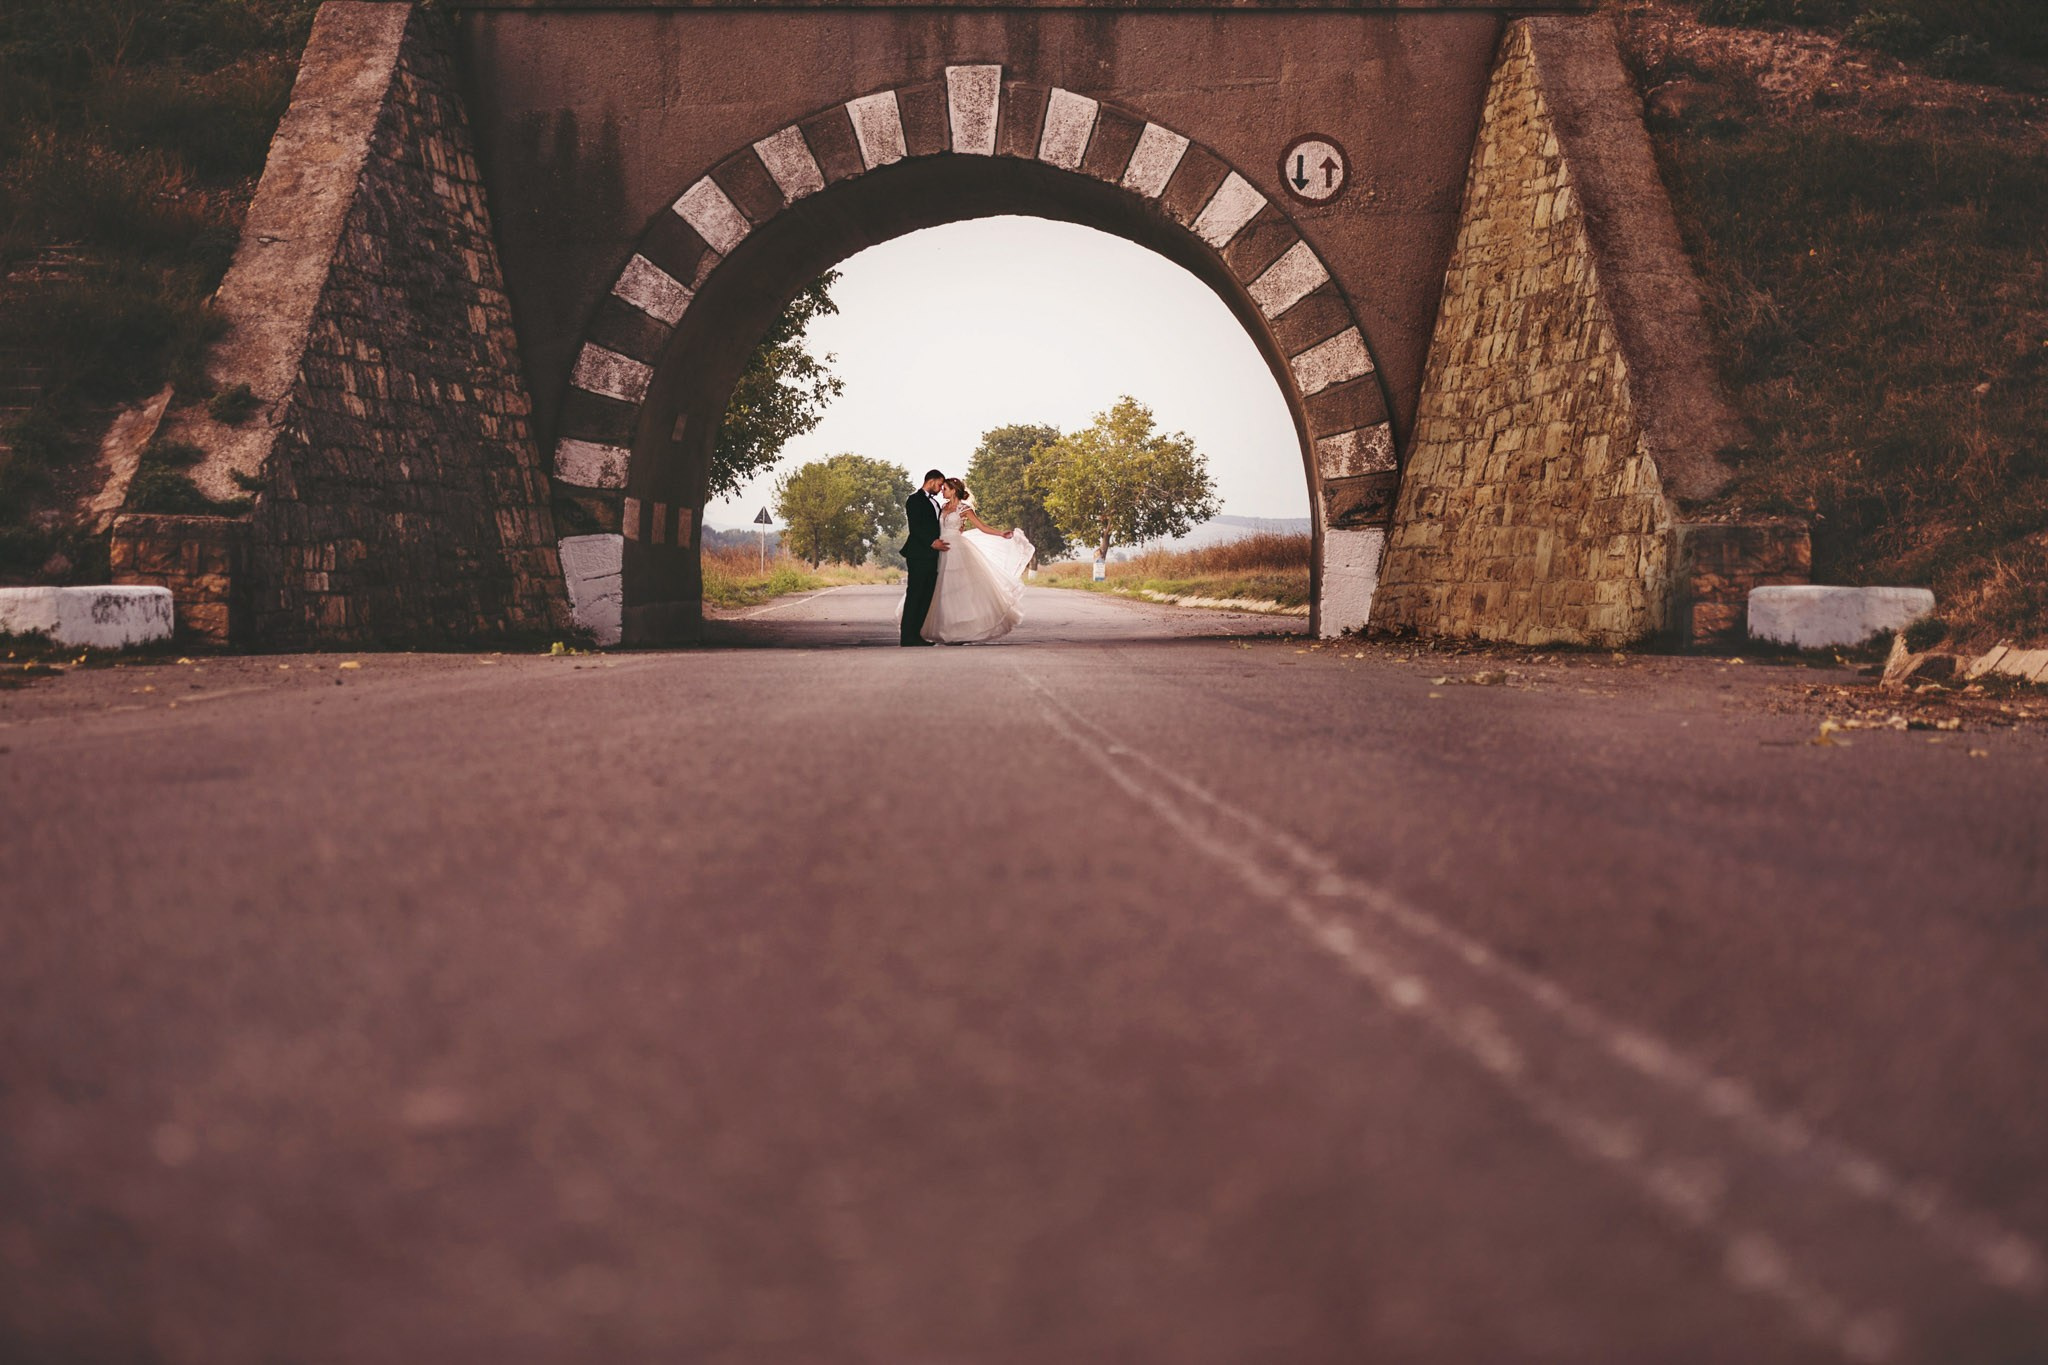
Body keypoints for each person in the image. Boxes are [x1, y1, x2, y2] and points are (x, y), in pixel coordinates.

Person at [921, 477, 1034, 644]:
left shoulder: (964, 509)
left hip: (957, 550)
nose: (942, 491)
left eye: (945, 488)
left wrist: (1000, 533)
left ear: (953, 490)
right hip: (941, 548)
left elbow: (982, 527)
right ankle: (943, 630)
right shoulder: (941, 507)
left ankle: (960, 632)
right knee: (941, 591)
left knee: (960, 590)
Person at [899, 469, 949, 646]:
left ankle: (916, 634)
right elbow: (916, 527)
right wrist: (931, 542)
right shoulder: (914, 500)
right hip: (918, 554)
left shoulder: (935, 503)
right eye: (940, 484)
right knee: (915, 594)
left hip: (932, 556)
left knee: (926, 595)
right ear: (931, 481)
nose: (941, 487)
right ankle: (907, 636)